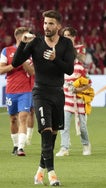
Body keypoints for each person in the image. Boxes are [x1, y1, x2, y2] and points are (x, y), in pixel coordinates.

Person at [11, 10, 75, 186]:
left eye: (51, 23)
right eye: (45, 23)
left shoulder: (66, 45)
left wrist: (55, 59)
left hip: (57, 93)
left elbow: (69, 69)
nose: (47, 26)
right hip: (40, 93)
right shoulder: (35, 42)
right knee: (45, 131)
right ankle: (52, 174)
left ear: (59, 26)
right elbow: (16, 63)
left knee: (52, 135)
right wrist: (22, 45)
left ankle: (40, 171)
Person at [56, 26, 94, 157]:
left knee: (82, 126)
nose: (66, 37)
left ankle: (86, 144)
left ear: (73, 37)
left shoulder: (79, 51)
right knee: (64, 124)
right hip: (66, 96)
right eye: (64, 35)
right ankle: (64, 147)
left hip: (79, 97)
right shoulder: (60, 49)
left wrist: (71, 49)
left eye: (68, 35)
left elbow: (84, 60)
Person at [0, 26, 35, 156]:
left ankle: (21, 147)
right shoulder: (6, 51)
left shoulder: (30, 53)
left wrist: (23, 60)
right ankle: (15, 146)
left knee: (23, 117)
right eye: (27, 37)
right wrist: (13, 65)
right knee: (13, 119)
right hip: (11, 91)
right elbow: (1, 70)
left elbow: (32, 72)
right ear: (20, 38)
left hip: (26, 91)